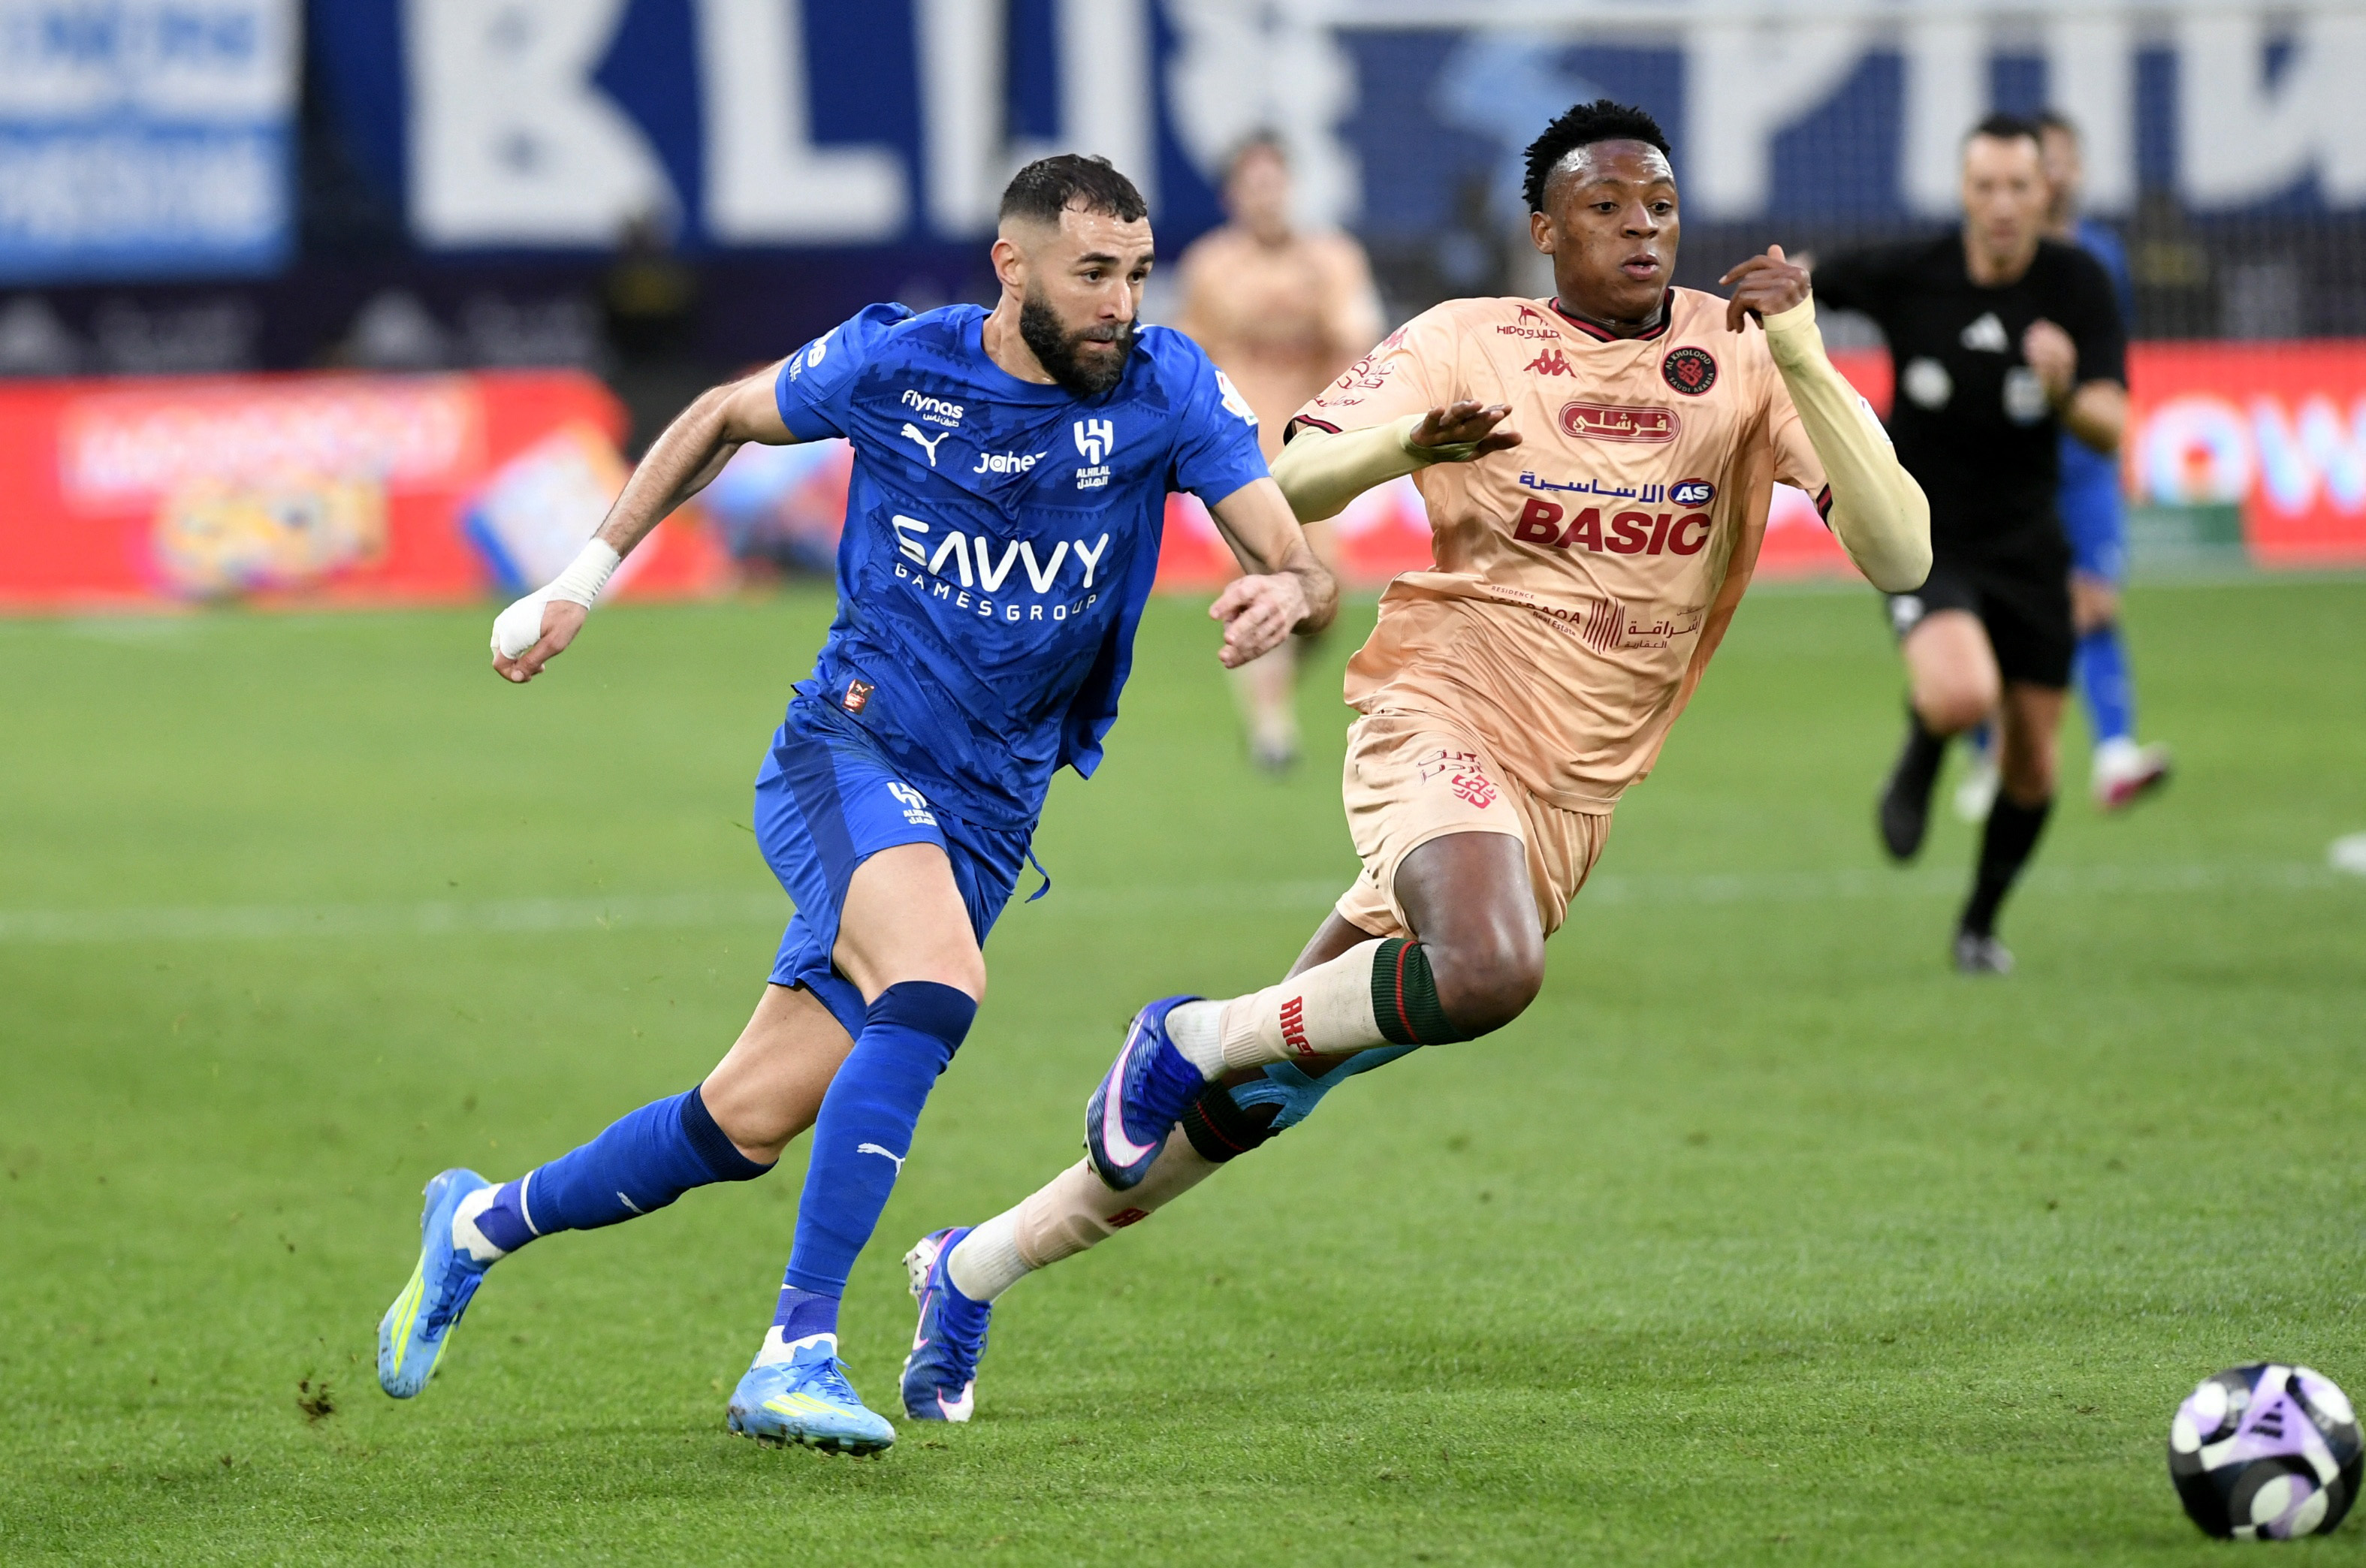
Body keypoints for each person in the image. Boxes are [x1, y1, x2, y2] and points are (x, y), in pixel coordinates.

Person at [893, 99, 1930, 1424]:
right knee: (1489, 971)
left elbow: (1902, 553)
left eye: (1661, 206)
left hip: (1569, 796)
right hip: (1440, 713)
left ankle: (972, 1266)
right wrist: (1407, 447)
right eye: (1606, 208)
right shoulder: (1466, 339)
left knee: (1253, 1096)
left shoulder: (1740, 356)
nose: (1642, 229)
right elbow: (1285, 480)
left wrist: (1805, 354)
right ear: (1543, 230)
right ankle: (1184, 1030)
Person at [373, 155, 1334, 1456]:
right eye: (1093, 273)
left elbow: (1298, 560)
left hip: (990, 814)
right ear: (1012, 268)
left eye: (1137, 274)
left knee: (745, 1120)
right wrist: (578, 582)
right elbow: (719, 415)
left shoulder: (1165, 387)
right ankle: (797, 1349)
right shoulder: (900, 362)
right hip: (849, 750)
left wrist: (1289, 589)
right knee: (933, 985)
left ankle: (480, 1222)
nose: (1121, 302)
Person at [1805, 113, 2126, 974]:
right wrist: (1766, 299)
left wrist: (2064, 391)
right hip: (1926, 540)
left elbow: (2112, 426)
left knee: (2033, 768)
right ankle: (1920, 755)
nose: (2003, 204)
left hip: (2030, 550)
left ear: (2045, 191)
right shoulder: (1915, 271)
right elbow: (1804, 285)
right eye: (1986, 186)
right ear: (1963, 192)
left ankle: (1979, 925)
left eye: (2019, 186)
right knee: (1960, 694)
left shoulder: (2079, 282)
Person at [1954, 111, 2170, 822]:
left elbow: (2110, 355)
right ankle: (1990, 754)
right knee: (1989, 614)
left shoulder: (2100, 255)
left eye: (2068, 160)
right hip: (2008, 460)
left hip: (2083, 459)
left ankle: (2115, 755)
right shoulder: (1983, 257)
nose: (2060, 173)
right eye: (2047, 161)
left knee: (2095, 601)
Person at [1172, 134, 1384, 770]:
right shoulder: (1211, 266)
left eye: (1274, 182)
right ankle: (1271, 726)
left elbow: (1358, 338)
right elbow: (1191, 354)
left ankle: (1276, 695)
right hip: (1238, 445)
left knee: (1324, 594)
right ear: (1232, 195)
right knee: (1254, 578)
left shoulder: (1332, 258)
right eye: (1252, 185)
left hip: (1311, 443)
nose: (1265, 197)